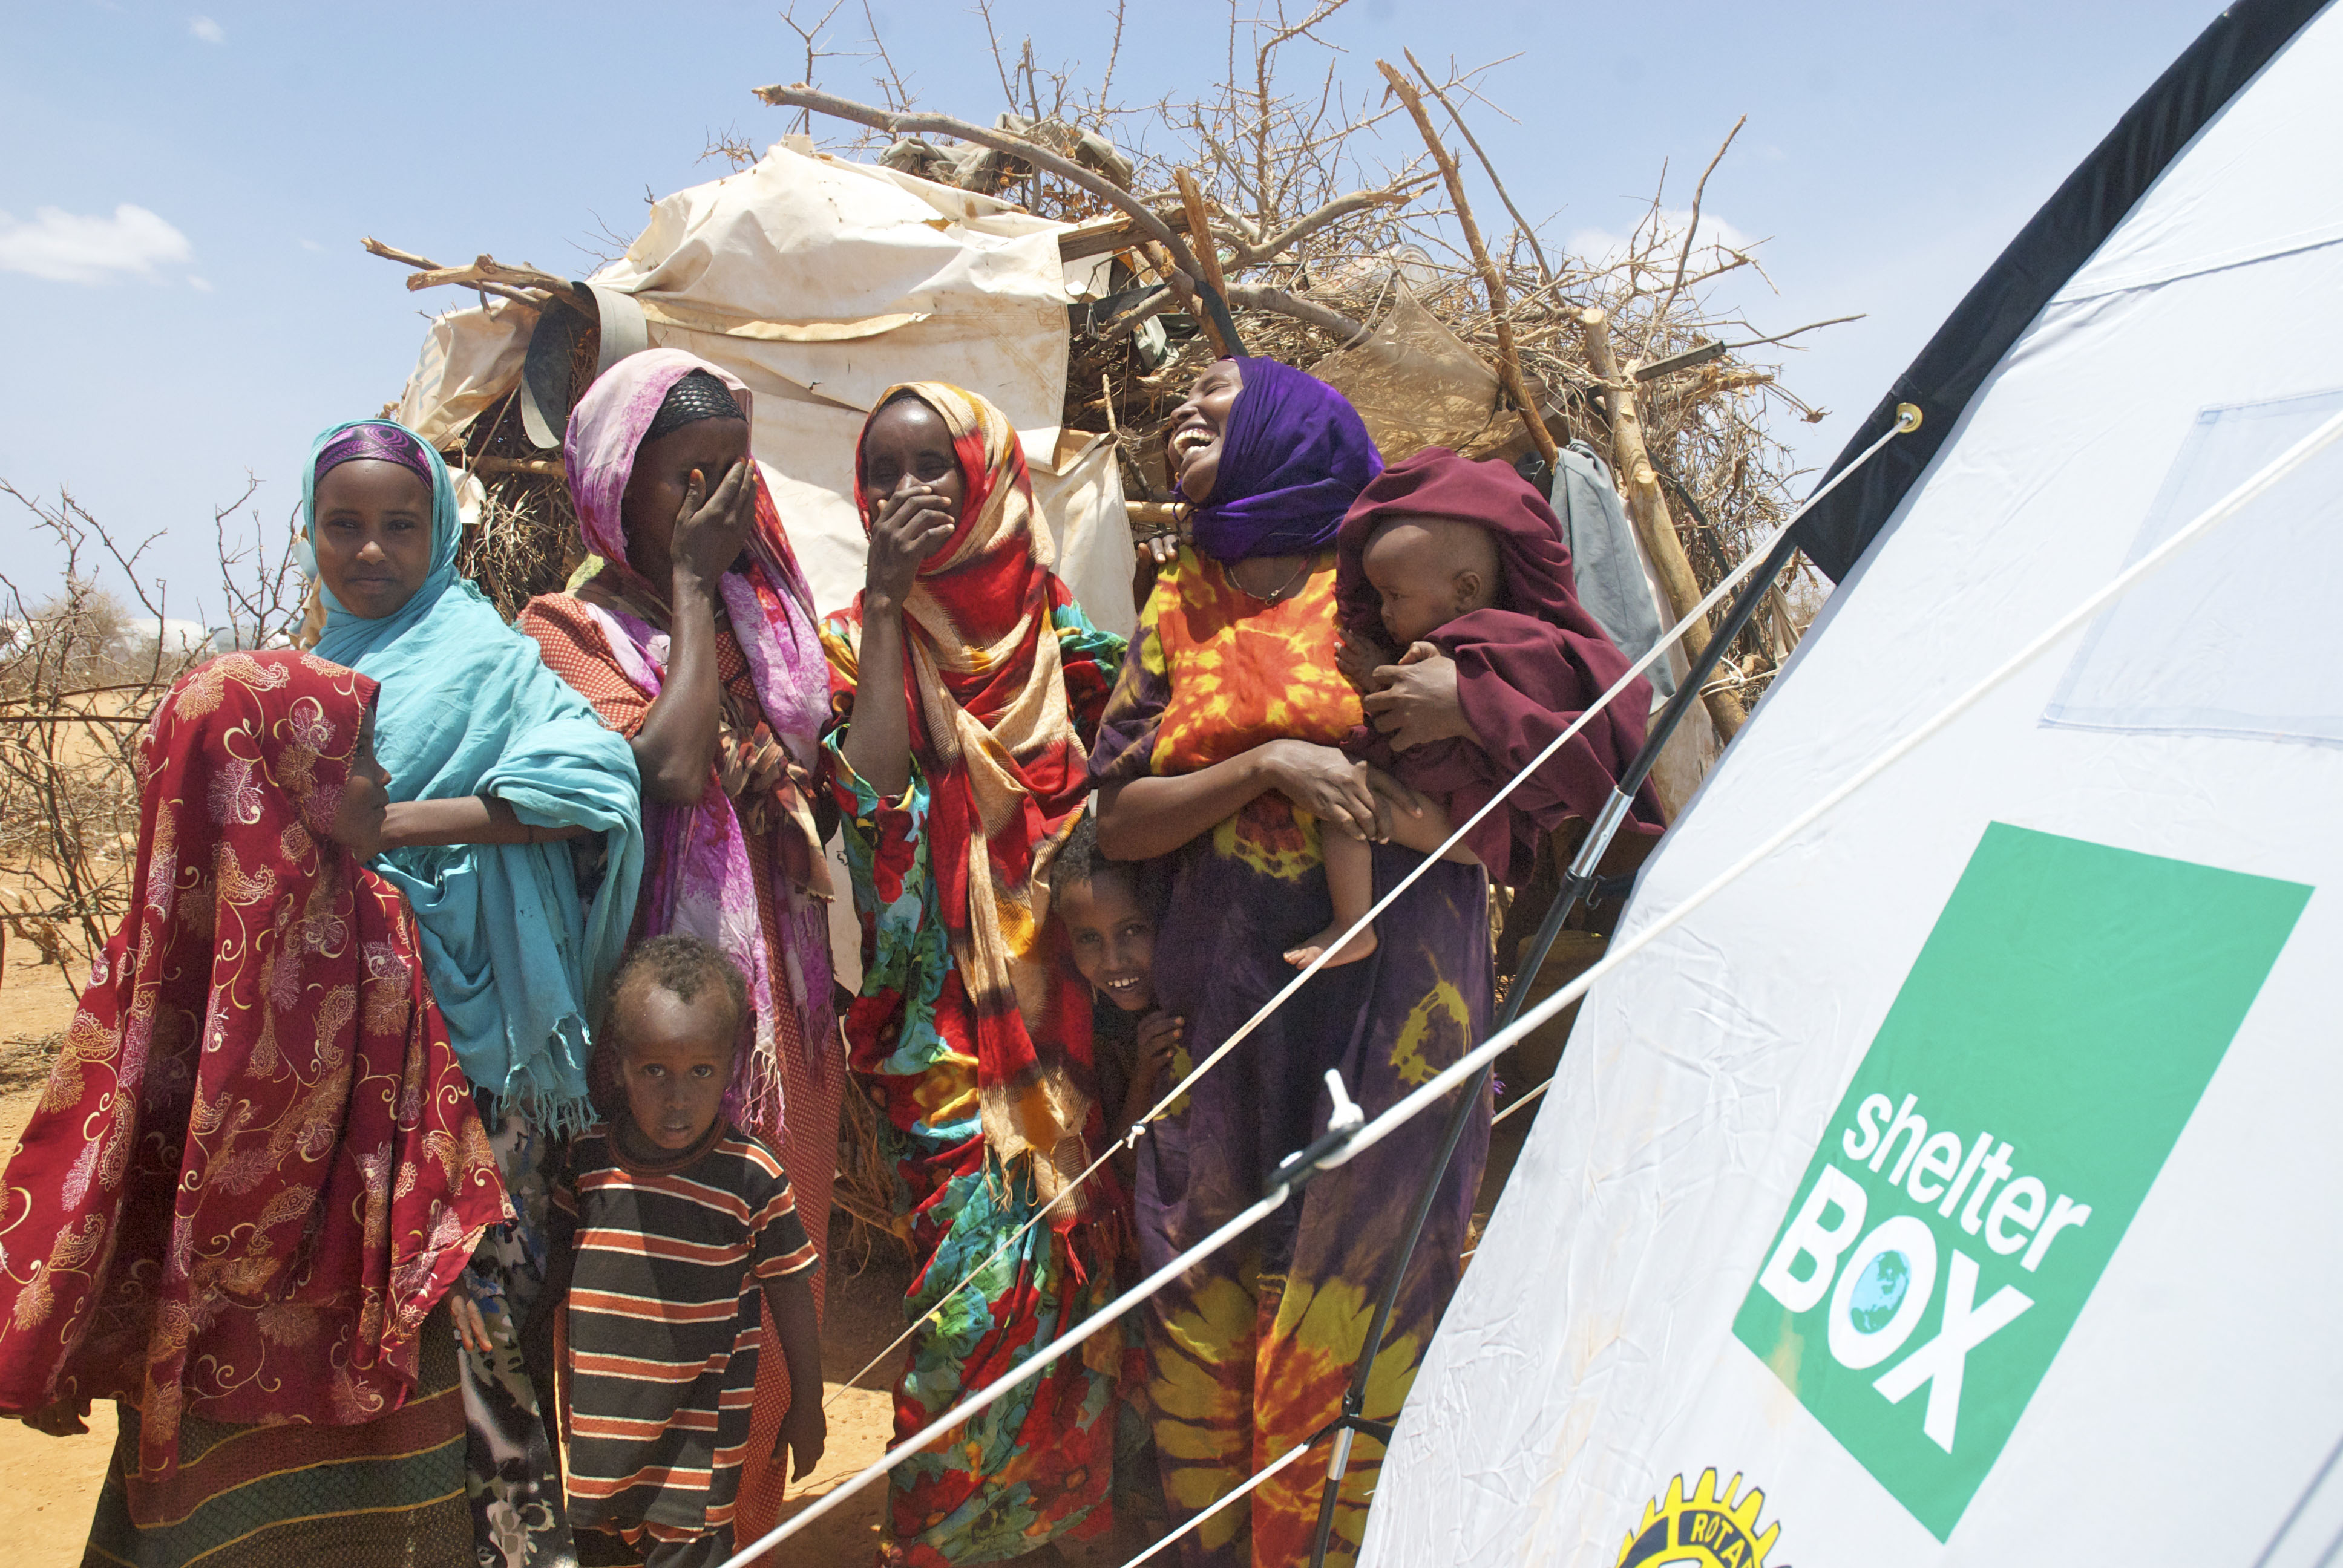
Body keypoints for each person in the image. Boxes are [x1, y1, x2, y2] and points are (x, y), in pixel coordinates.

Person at [1090, 356, 1493, 1568]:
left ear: (1288, 430)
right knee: (1207, 1287)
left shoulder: (1389, 590)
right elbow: (1118, 817)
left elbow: (1512, 803)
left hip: (1386, 1013)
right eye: (1169, 414)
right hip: (1225, 1021)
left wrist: (1368, 798)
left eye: (1210, 405)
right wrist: (1266, 765)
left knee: (1358, 1289)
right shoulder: (1175, 608)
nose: (1177, 420)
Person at [0, 649, 508, 1565]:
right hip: (205, 1340)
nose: (384, 779)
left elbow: (425, 1105)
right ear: (269, 779)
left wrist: (450, 1257)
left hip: (370, 1305)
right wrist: (65, 1338)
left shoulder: (375, 917)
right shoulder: (165, 981)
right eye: (357, 759)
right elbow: (93, 1164)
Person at [305, 419, 645, 1567]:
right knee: (376, 1318)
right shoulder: (311, 675)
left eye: (399, 524)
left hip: (488, 1046)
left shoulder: (490, 657)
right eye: (344, 524)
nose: (370, 550)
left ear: (440, 531)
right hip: (355, 1044)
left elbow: (593, 777)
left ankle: (521, 1550)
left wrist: (391, 824)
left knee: (492, 1315)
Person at [520, 351, 841, 1543]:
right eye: (683, 481)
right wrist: (697, 597)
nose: (715, 505)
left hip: (773, 1025)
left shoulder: (781, 623)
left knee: (763, 1278)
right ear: (615, 491)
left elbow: (835, 773)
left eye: (730, 476)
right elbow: (666, 768)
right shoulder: (568, 627)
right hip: (658, 1036)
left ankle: (736, 1525)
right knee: (649, 1309)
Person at [819, 381, 1134, 1566]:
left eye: (930, 472)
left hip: (1074, 1016)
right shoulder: (856, 641)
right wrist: (894, 609)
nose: (904, 495)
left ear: (988, 479)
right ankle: (953, 1539)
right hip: (948, 1039)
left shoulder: (1068, 643)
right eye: (883, 475)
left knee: (1079, 1279)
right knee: (971, 1297)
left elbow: (1132, 792)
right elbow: (870, 800)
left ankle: (1057, 1529)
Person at [1298, 446, 1665, 966]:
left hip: (1471, 825)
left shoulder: (1525, 645)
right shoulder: (1427, 641)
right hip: (1431, 809)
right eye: (1378, 596)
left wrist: (1468, 703)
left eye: (1394, 597)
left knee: (1344, 813)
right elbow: (1400, 706)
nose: (1383, 611)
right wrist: (1380, 665)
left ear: (1466, 590)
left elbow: (1565, 744)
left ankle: (1351, 925)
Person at [542, 935, 824, 1568]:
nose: (678, 1098)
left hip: (694, 1460)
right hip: (599, 1444)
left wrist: (807, 1403)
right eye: (654, 1072)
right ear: (618, 1066)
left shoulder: (750, 1176)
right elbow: (554, 1281)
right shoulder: (588, 1162)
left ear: (730, 1067)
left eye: (701, 1071)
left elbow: (789, 1291)